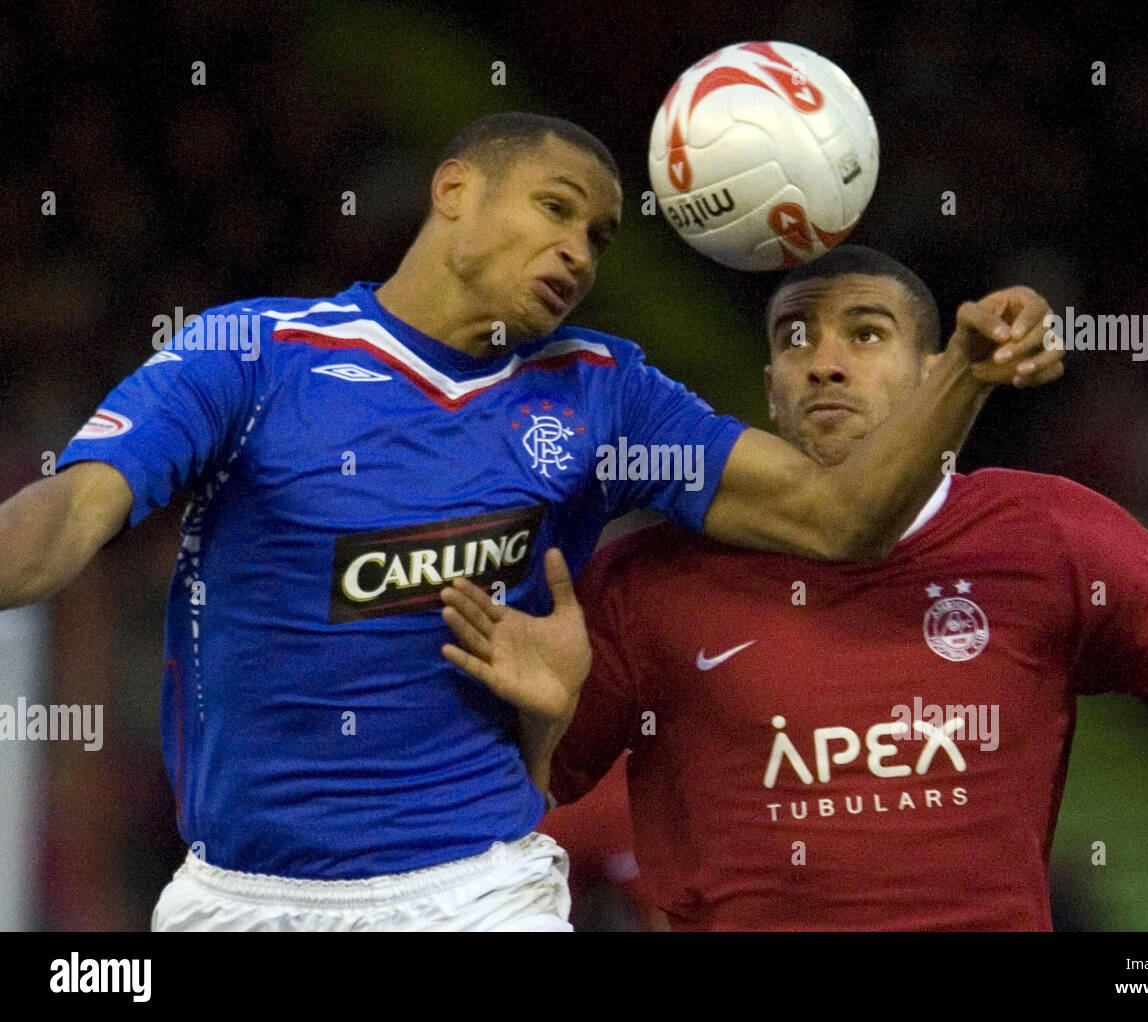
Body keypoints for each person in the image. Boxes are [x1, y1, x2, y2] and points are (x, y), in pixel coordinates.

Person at [0, 112, 1059, 931]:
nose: (579, 253)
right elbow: (65, 520)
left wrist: (961, 374)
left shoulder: (601, 392)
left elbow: (839, 517)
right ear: (453, 190)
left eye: (598, 235)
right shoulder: (255, 354)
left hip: (475, 888)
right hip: (239, 893)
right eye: (556, 209)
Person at [438, 244, 1148, 931]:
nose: (825, 363)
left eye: (868, 333)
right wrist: (538, 724)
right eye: (795, 339)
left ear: (934, 373)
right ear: (770, 391)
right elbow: (504, 818)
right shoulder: (646, 577)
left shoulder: (1051, 539)